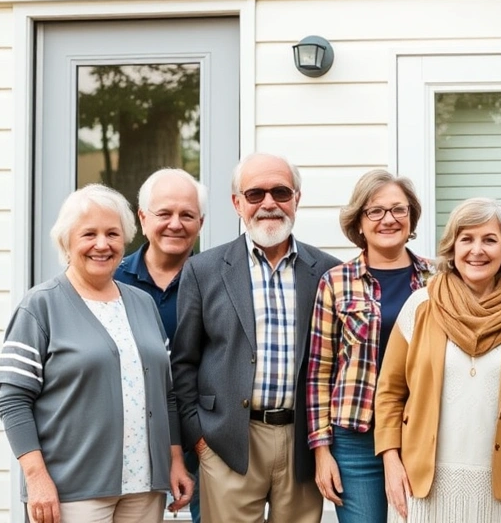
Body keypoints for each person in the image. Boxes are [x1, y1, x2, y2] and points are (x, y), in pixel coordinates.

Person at [0, 184, 193, 523]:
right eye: (89, 234)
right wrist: (36, 477)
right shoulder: (40, 306)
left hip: (144, 488)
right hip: (72, 491)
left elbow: (167, 396)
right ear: (67, 241)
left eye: (112, 234)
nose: (102, 244)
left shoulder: (142, 304)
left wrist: (175, 461)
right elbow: (12, 400)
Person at [171, 153, 341, 523]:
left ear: (297, 198)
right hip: (228, 441)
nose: (268, 203)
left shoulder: (328, 272)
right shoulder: (203, 270)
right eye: (254, 194)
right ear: (237, 203)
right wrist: (200, 441)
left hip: (302, 443)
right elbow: (183, 362)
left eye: (280, 192)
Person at [374, 197, 501, 523]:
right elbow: (389, 393)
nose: (477, 250)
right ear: (452, 248)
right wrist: (391, 462)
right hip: (422, 485)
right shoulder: (420, 306)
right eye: (466, 239)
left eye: (490, 240)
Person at [308, 170, 435, 522]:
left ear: (411, 218)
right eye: (375, 211)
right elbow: (320, 371)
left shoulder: (438, 280)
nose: (388, 219)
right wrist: (321, 450)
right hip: (356, 437)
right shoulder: (335, 282)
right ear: (359, 223)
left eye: (398, 210)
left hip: (422, 430)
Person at [115, 168, 206, 523]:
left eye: (187, 215)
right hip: (131, 433)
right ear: (142, 217)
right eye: (164, 213)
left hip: (202, 434)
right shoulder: (112, 278)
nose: (175, 224)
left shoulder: (218, 279)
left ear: (201, 220)